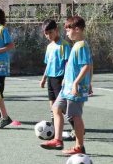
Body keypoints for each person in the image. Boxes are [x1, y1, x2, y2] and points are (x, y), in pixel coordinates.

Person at [40, 16, 93, 155]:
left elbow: (87, 66)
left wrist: (76, 83)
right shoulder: (76, 44)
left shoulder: (81, 45)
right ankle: (57, 139)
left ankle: (79, 146)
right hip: (67, 86)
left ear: (77, 29)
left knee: (74, 116)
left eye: (68, 30)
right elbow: (88, 65)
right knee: (56, 108)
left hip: (75, 87)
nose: (67, 33)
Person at [39, 19, 75, 140]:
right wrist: (43, 78)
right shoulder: (49, 47)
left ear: (56, 30)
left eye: (50, 32)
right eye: (46, 33)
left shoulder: (64, 45)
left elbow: (67, 64)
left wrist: (65, 78)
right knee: (52, 105)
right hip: (51, 78)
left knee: (62, 107)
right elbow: (48, 64)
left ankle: (76, 127)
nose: (48, 35)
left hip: (60, 78)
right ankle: (55, 131)